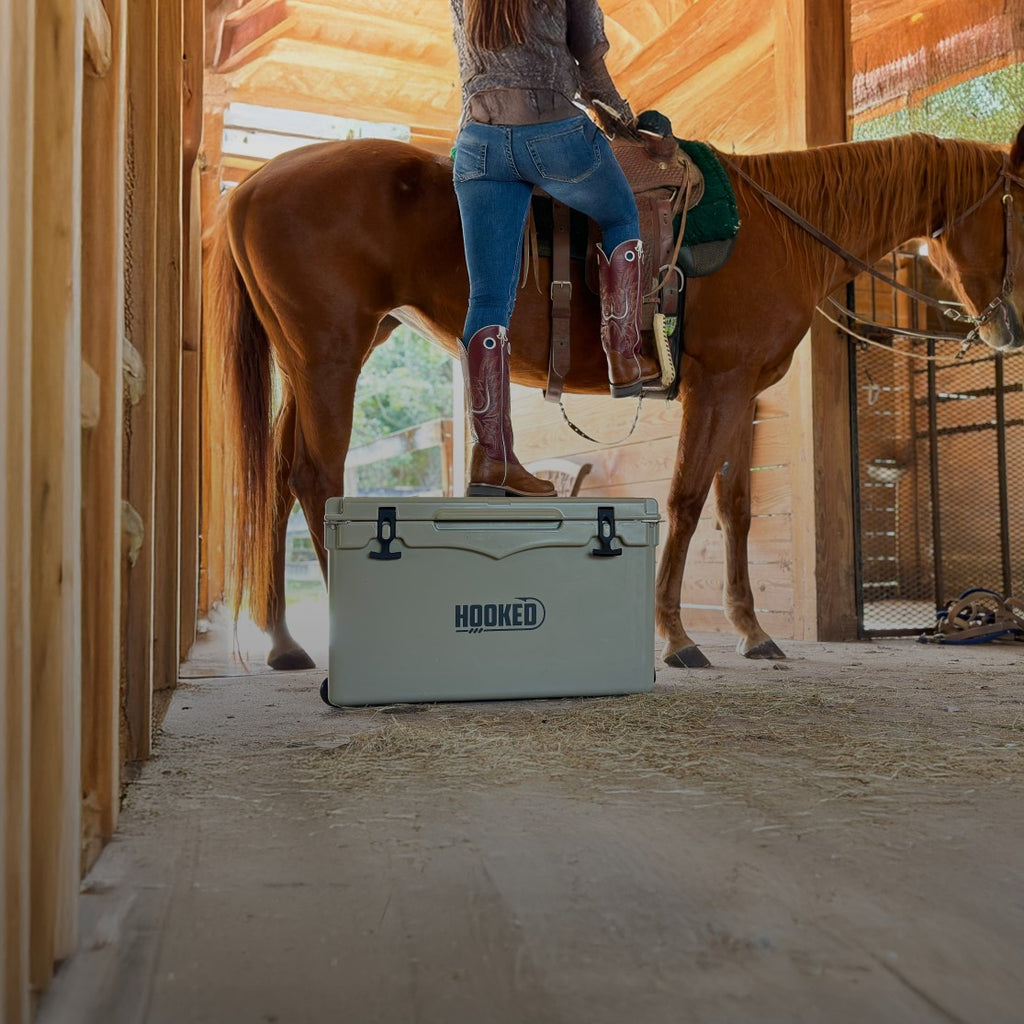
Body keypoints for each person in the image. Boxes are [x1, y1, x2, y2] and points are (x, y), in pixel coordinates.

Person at [450, 0, 660, 497]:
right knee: (620, 215)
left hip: (478, 143)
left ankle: (492, 459)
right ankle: (623, 354)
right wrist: (625, 122)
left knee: (486, 301)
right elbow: (591, 70)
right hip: (555, 136)